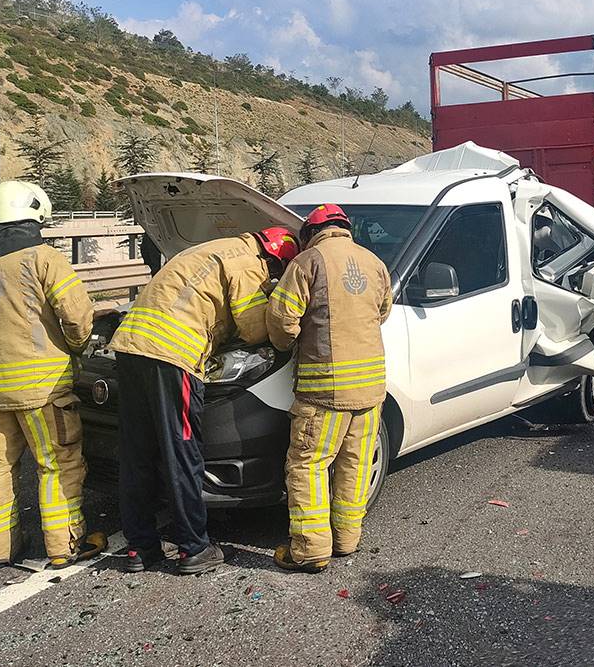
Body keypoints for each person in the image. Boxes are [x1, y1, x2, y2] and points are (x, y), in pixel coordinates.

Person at [108, 226, 300, 575]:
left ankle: (140, 547)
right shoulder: (248, 264)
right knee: (180, 451)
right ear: (275, 260)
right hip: (172, 358)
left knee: (137, 452)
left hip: (129, 349)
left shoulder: (211, 248)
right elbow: (255, 329)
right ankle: (194, 547)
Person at [0, 181, 105, 570]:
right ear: (32, 216)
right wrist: (75, 349)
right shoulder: (44, 258)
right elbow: (77, 317)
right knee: (56, 464)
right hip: (43, 390)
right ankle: (64, 545)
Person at [266, 204, 392, 573]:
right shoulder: (374, 262)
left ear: (310, 233)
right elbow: (382, 312)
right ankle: (347, 540)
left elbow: (281, 321)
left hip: (325, 391)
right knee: (353, 463)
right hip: (371, 389)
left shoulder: (307, 263)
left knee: (308, 464)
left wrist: (289, 342)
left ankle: (310, 550)